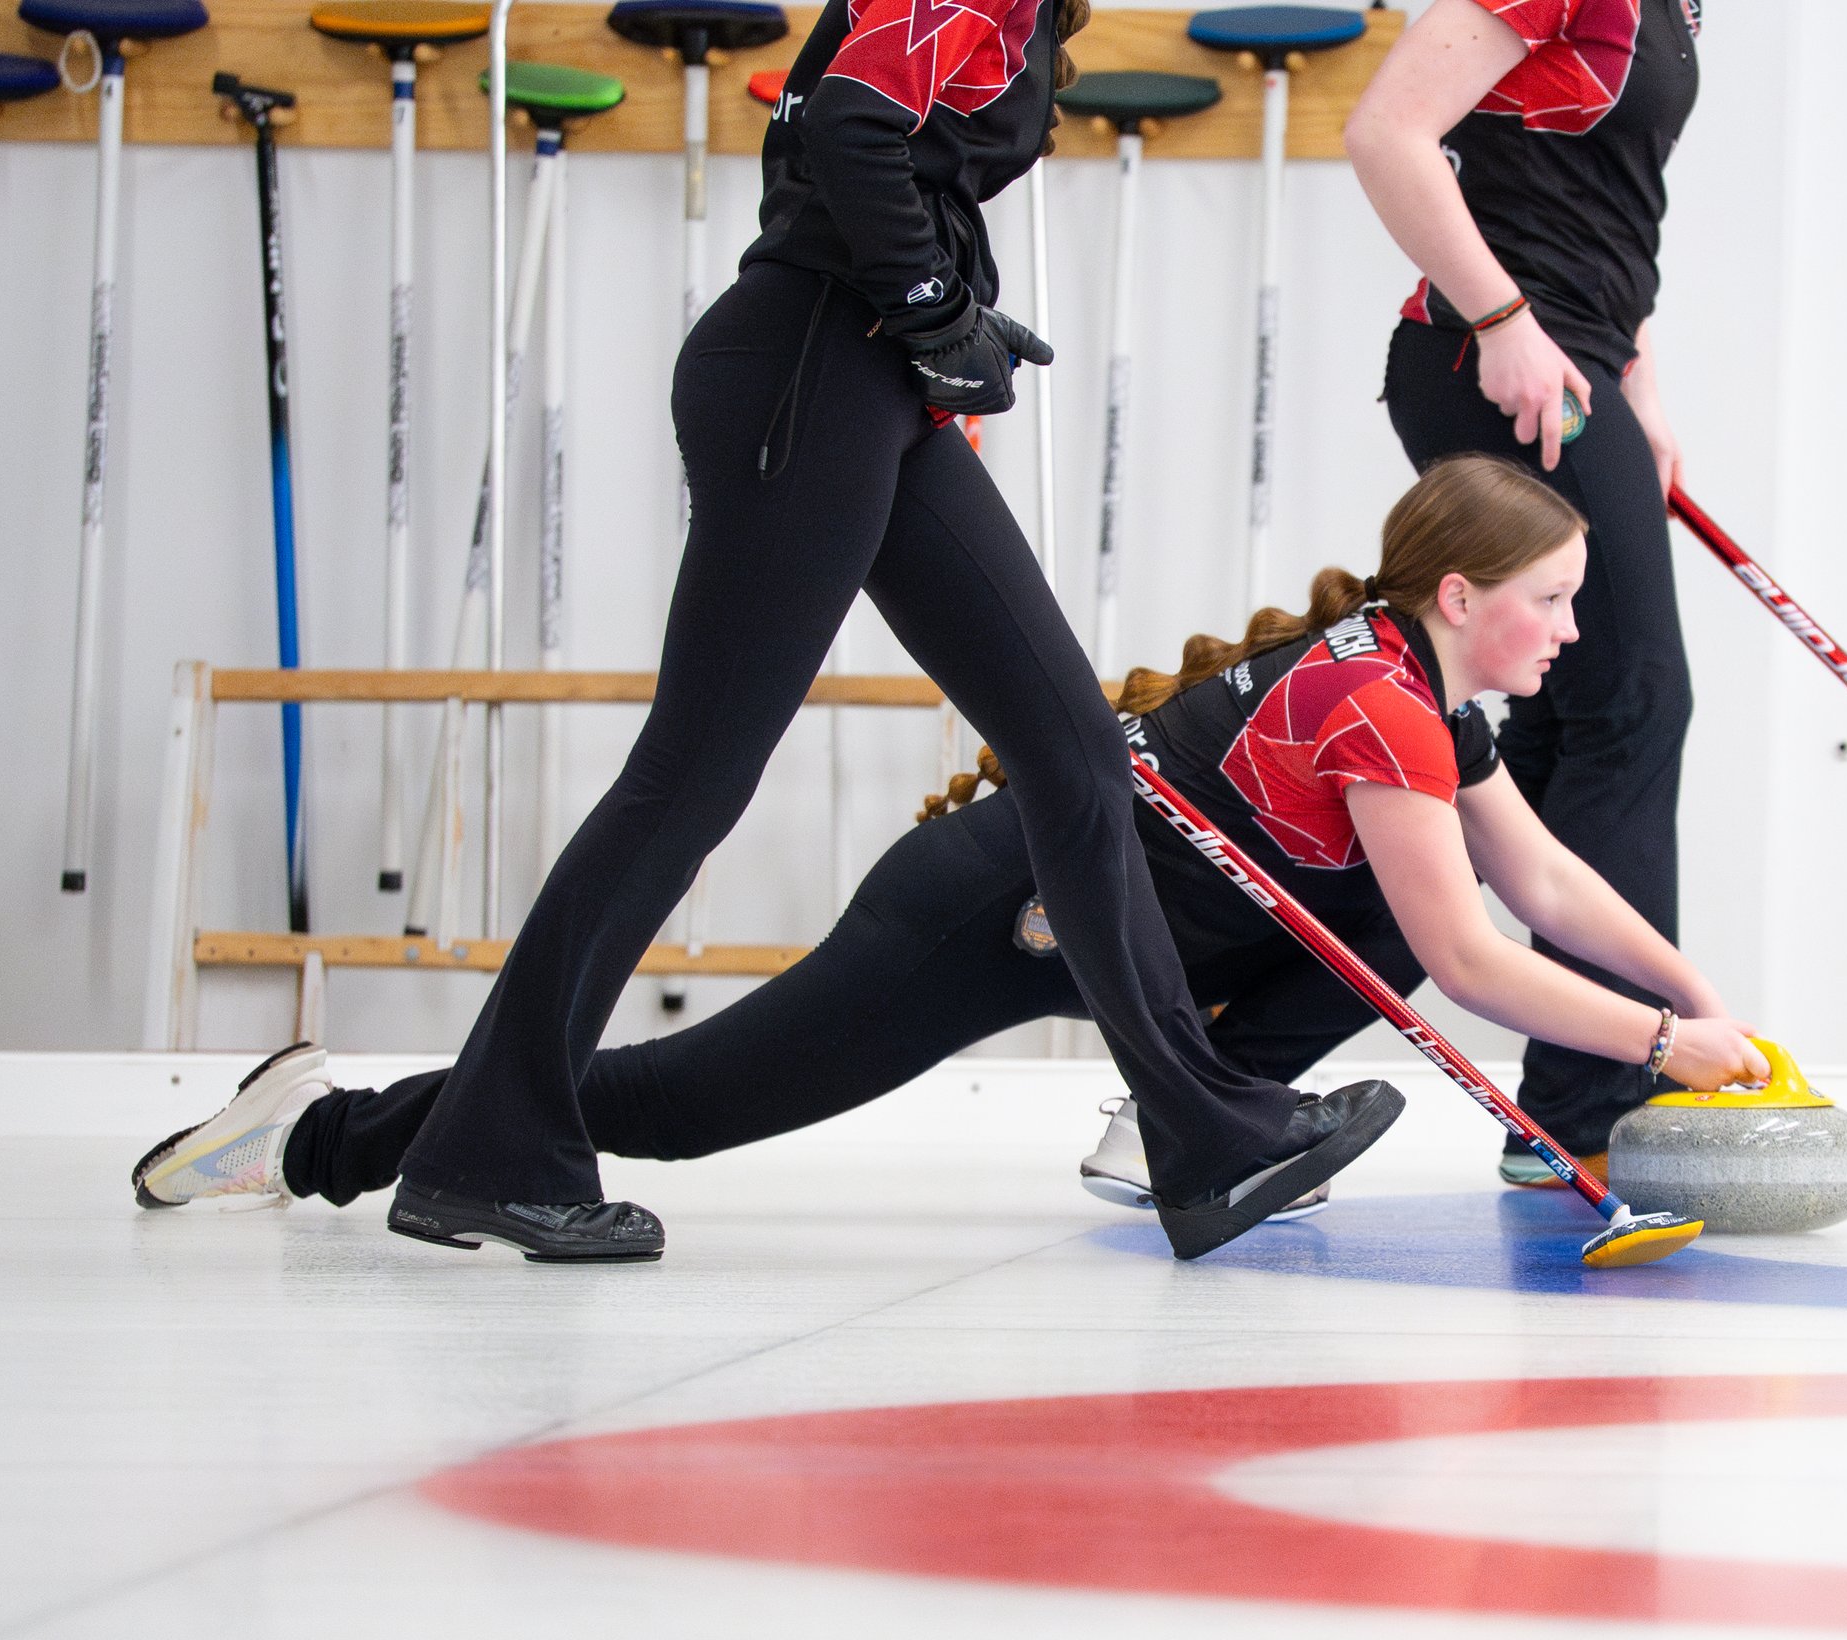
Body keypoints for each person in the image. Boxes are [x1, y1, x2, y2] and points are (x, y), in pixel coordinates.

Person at [249, 0, 1401, 1264]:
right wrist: (929, 304)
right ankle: (485, 1154)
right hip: (812, 368)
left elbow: (856, 150)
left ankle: (1207, 1134)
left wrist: (947, 307)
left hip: (870, 376)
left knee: (1078, 753)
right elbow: (850, 126)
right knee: (688, 779)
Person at [132, 458, 1766, 1227]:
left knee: (1413, 902)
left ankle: (1190, 1116)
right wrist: (1656, 1045)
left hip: (1114, 933)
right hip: (981, 913)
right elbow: (1481, 956)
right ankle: (316, 1132)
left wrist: (1705, 1005)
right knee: (673, 1109)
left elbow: (1544, 881)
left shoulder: (1422, 692)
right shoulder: (1379, 708)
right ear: (1464, 595)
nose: (1571, 630)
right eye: (1553, 599)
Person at [1343, 0, 1705, 1182]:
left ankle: (1565, 1112)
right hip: (1495, 356)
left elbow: (1605, 195)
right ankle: (1597, 1106)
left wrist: (1637, 376)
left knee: (1567, 715)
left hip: (1577, 352)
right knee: (1629, 704)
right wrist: (1501, 319)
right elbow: (1385, 133)